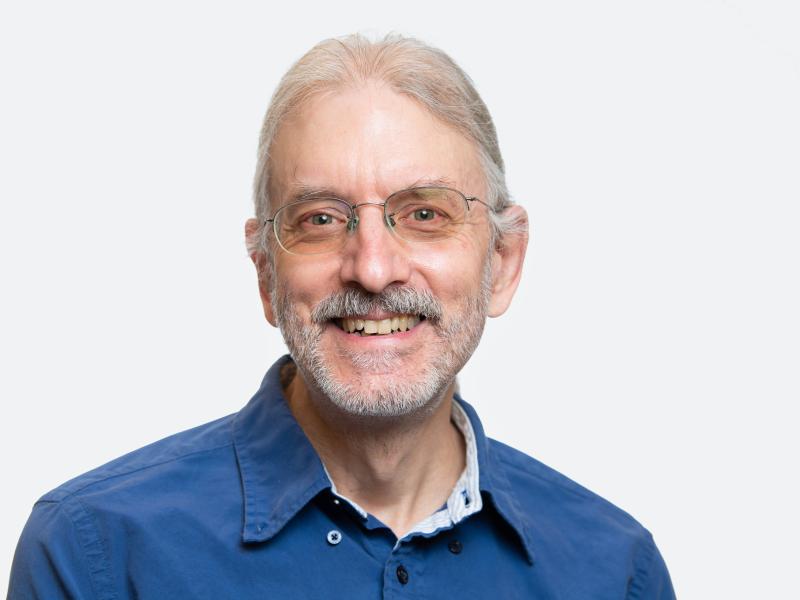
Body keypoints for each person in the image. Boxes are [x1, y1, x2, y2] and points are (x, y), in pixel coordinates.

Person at [8, 34, 675, 599]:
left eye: (424, 213)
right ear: (266, 274)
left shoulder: (615, 574)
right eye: (321, 219)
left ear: (502, 261)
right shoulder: (96, 556)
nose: (374, 268)